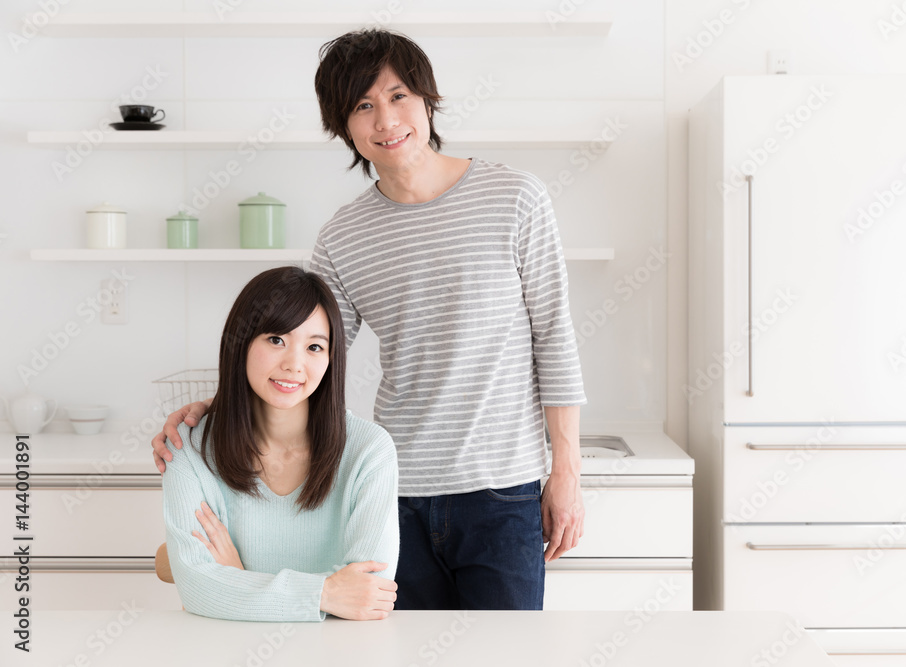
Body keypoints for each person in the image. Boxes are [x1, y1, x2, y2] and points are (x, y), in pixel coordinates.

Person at [153, 28, 586, 611]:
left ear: (427, 100)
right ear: (344, 127)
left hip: (502, 492)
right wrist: (217, 403)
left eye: (399, 95)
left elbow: (555, 338)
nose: (386, 119)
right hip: (391, 493)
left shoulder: (516, 198)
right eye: (363, 105)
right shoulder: (344, 236)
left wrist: (567, 472)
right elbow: (303, 355)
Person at [161, 266, 399, 622]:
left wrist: (239, 582)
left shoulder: (369, 450)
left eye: (315, 346)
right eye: (276, 340)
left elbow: (368, 590)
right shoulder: (190, 448)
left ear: (331, 359)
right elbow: (196, 586)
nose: (294, 364)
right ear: (241, 342)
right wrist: (326, 592)